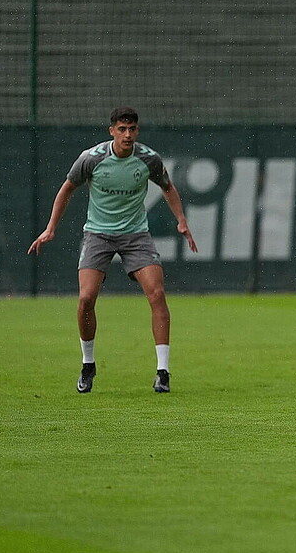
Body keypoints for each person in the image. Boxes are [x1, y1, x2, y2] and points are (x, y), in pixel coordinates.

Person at [28, 106, 197, 394]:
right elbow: (67, 188)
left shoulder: (148, 159)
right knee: (85, 299)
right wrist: (50, 228)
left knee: (157, 294)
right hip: (98, 235)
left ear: (137, 131)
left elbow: (168, 187)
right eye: (122, 129)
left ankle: (163, 371)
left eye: (132, 129)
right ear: (112, 131)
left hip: (136, 236)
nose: (127, 135)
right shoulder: (91, 159)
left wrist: (181, 220)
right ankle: (88, 364)